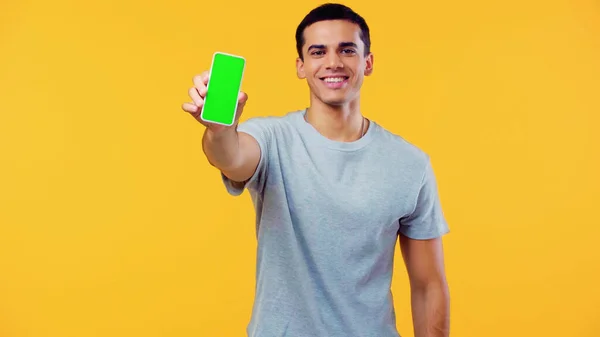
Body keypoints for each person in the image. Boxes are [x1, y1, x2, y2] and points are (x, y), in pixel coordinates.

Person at [182, 3, 450, 337]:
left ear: (368, 63)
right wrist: (220, 130)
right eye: (318, 51)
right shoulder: (272, 138)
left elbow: (428, 286)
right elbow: (231, 158)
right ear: (301, 66)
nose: (333, 62)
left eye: (347, 50)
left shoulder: (410, 164)